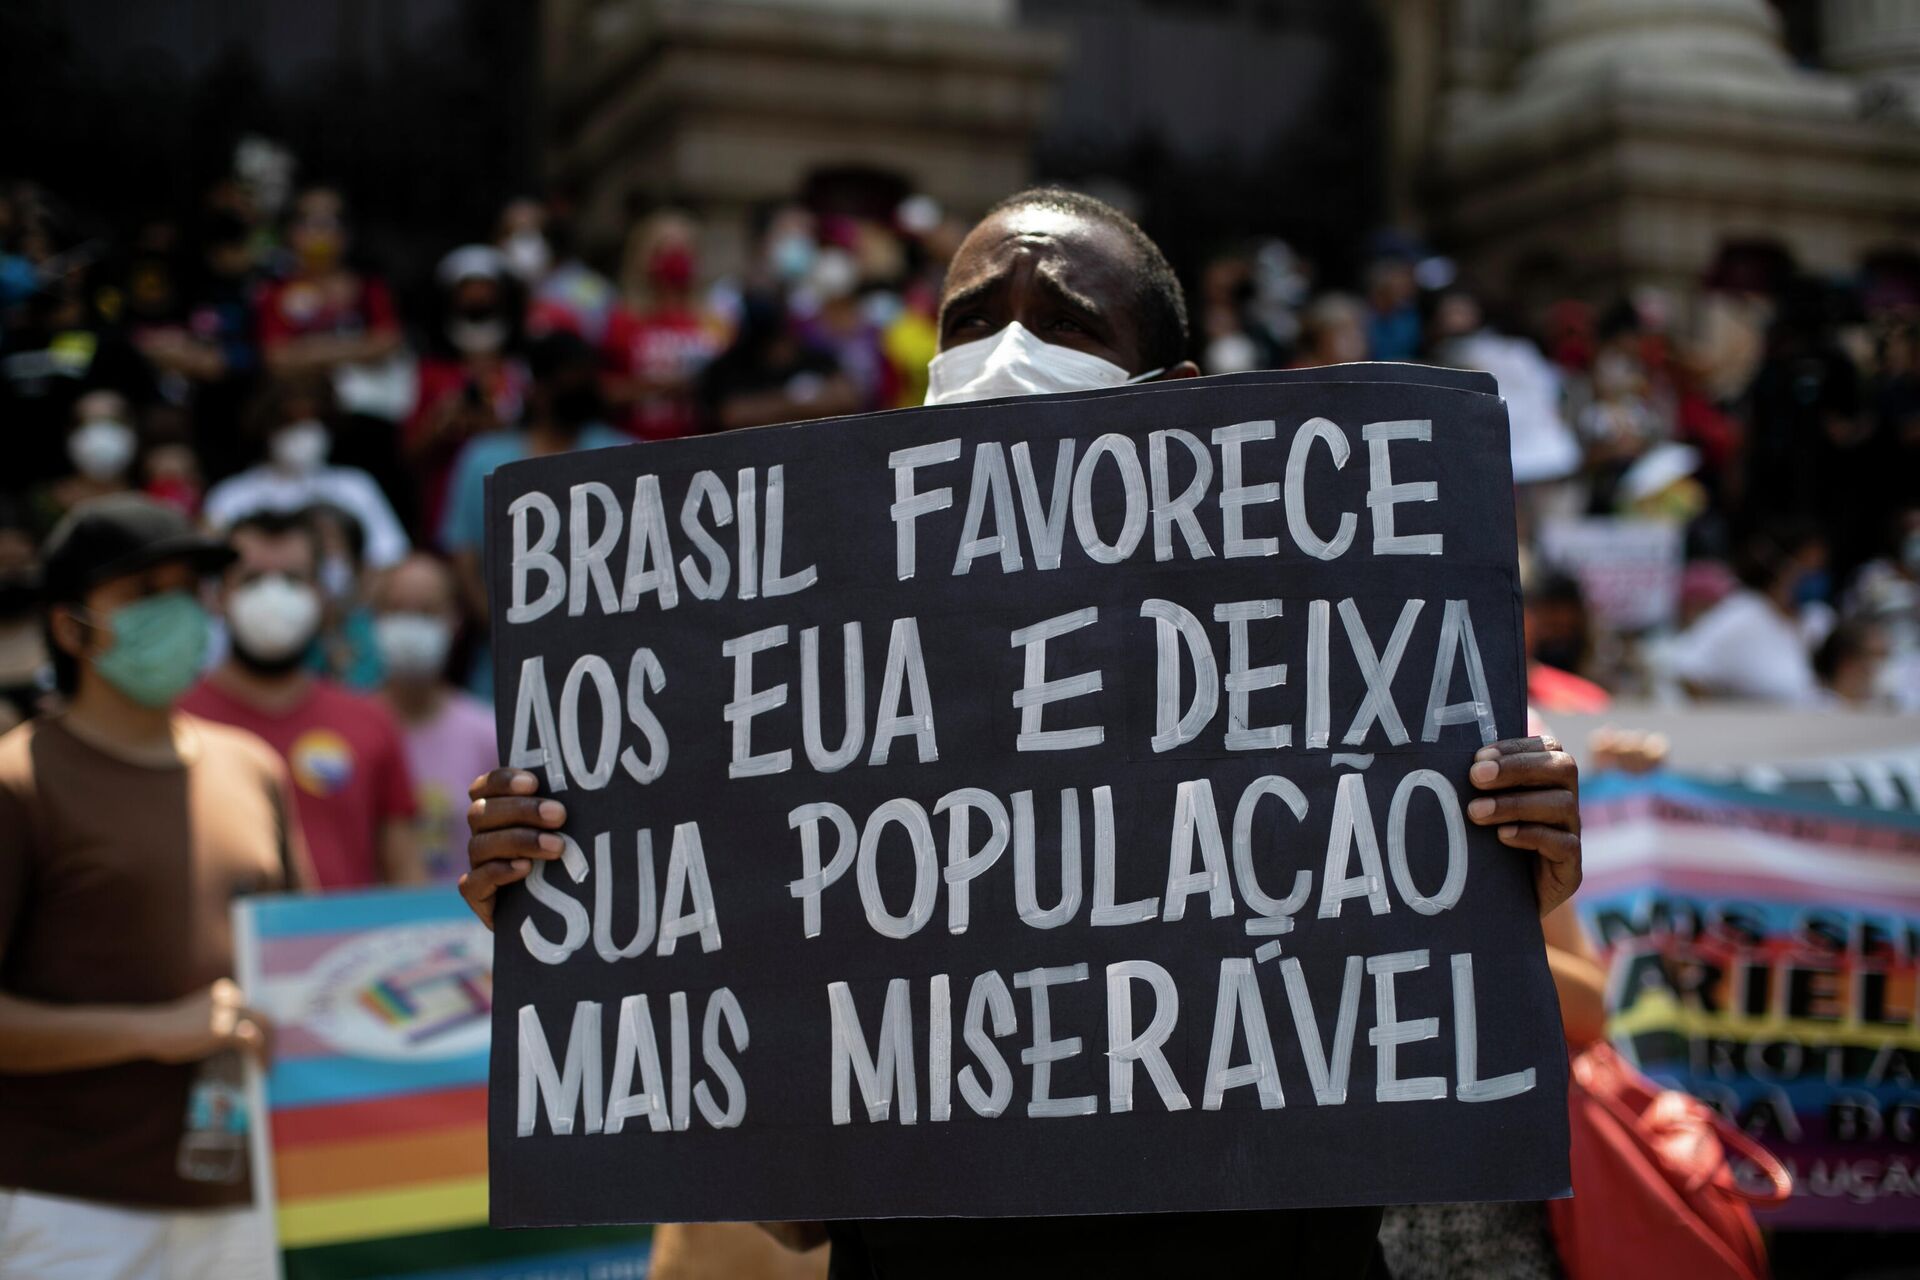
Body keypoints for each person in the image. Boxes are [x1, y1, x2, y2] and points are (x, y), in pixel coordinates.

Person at [458, 187, 1586, 1280]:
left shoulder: (1339, 664)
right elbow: (787, 1198)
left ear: (1180, 392)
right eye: (972, 320)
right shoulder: (808, 697)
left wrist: (1490, 893)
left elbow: (1431, 1094)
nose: (1005, 350)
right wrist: (584, 913)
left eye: (1066, 324)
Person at [0, 494, 309, 1277]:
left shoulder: (254, 768)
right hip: (71, 1211)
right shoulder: (15, 783)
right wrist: (153, 1029)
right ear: (71, 629)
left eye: (187, 590)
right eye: (143, 595)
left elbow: (302, 969)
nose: (177, 615)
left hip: (248, 1197)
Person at [180, 508, 421, 890]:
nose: (273, 597)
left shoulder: (371, 722)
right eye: (252, 580)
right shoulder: (177, 721)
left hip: (345, 949)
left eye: (293, 579)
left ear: (321, 595)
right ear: (218, 595)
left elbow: (407, 874)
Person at [439, 330, 629, 693]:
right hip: (503, 670)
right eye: (566, 380)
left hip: (603, 669)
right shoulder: (483, 458)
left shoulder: (622, 452)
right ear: (538, 387)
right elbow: (464, 560)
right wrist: (506, 634)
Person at [372, 552, 497, 881]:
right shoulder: (352, 730)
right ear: (376, 619)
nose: (411, 624)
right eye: (398, 610)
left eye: (427, 612)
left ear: (454, 621)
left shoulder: (488, 734)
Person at [202, 374, 410, 570]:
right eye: (291, 421)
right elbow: (210, 568)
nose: (304, 431)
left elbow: (390, 557)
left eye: (313, 420)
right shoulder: (231, 495)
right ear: (268, 426)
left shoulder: (356, 486)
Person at [405, 245, 529, 535]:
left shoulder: (522, 371)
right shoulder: (431, 373)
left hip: (519, 509)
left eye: (486, 289)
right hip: (448, 511)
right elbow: (410, 452)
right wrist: (442, 421)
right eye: (467, 289)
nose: (477, 299)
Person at [1664, 521, 1829, 704]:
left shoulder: (1817, 618)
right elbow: (1684, 668)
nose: (1813, 575)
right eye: (1808, 566)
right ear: (1782, 566)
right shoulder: (1743, 614)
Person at [601, 211, 726, 441]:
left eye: (684, 249)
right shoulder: (624, 319)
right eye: (665, 249)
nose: (675, 257)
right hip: (633, 444)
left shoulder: (713, 319)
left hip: (700, 447)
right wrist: (660, 387)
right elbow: (602, 389)